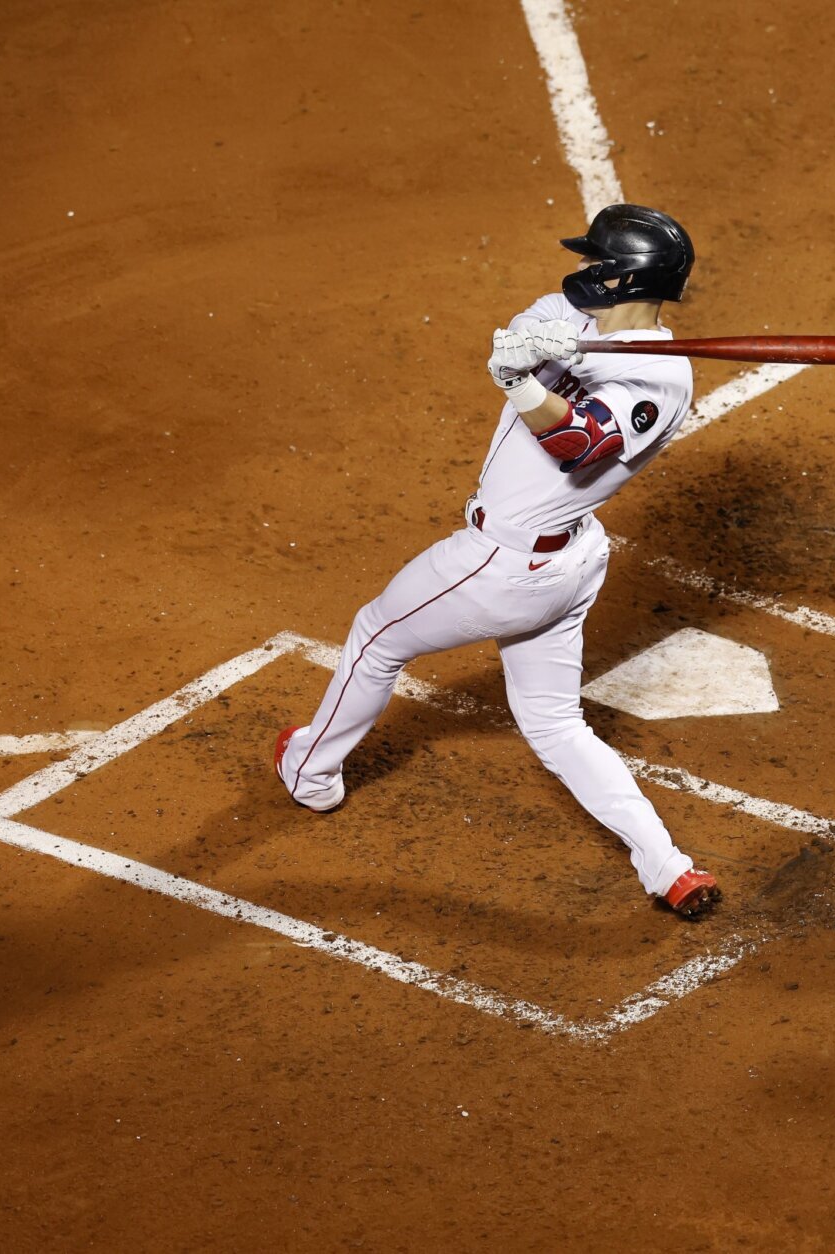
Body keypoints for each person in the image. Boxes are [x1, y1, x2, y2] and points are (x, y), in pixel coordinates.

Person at [273, 204, 721, 920]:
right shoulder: (584, 317)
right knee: (555, 725)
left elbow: (582, 443)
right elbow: (535, 321)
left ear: (620, 274)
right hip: (572, 563)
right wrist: (540, 346)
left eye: (593, 262)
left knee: (376, 637)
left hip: (503, 565)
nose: (580, 271)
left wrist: (524, 383)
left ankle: (309, 772)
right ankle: (669, 868)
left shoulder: (661, 383)